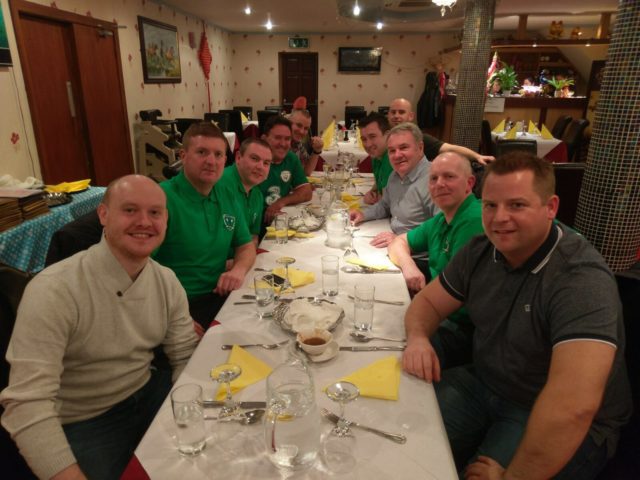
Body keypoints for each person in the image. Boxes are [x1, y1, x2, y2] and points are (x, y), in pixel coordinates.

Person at [402, 152, 632, 479]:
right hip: (484, 383)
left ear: (550, 208)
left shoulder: (581, 278)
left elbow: (573, 407)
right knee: (402, 431)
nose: (499, 218)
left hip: (547, 409)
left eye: (517, 205)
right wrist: (418, 339)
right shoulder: (481, 250)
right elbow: (427, 304)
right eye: (490, 205)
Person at [0, 175, 200, 480]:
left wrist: (191, 412)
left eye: (155, 213)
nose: (144, 222)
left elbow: (184, 352)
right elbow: (27, 404)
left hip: (147, 393)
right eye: (130, 210)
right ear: (103, 215)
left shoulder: (166, 281)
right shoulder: (54, 290)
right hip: (85, 419)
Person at [153, 122, 256, 329]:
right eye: (202, 152)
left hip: (220, 296)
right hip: (177, 307)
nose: (211, 161)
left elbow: (245, 246)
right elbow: (137, 269)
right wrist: (176, 318)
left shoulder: (226, 193)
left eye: (218, 155)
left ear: (225, 160)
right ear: (183, 156)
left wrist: (237, 270)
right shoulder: (160, 198)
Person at [388, 152, 483, 368]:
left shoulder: (474, 220)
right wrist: (409, 266)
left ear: (469, 183)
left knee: (393, 353)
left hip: (462, 330)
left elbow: (454, 300)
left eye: (449, 177)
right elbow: (397, 243)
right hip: (438, 313)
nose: (439, 184)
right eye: (433, 178)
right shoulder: (442, 218)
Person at [350, 122, 438, 250]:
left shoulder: (436, 181)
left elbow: (442, 229)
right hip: (393, 244)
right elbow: (384, 205)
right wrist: (363, 214)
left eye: (403, 148)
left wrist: (403, 240)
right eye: (392, 150)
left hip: (417, 256)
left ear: (420, 148)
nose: (397, 155)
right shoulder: (395, 176)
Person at [387, 97, 494, 165]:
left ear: (410, 116)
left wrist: (477, 156)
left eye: (401, 112)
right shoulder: (386, 138)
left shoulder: (420, 138)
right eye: (393, 112)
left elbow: (450, 148)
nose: (396, 116)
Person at [217, 137, 272, 248]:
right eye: (254, 159)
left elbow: (253, 237)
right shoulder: (219, 184)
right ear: (238, 158)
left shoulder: (257, 194)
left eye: (266, 163)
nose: (260, 167)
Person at [259, 115, 312, 224]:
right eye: (277, 138)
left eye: (287, 139)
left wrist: (281, 202)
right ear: (264, 139)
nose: (283, 144)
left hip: (277, 221)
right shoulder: (255, 161)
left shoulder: (290, 158)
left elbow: (306, 192)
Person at [358, 112, 393, 205]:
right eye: (364, 139)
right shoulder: (377, 156)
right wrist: (371, 192)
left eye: (372, 136)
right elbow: (379, 184)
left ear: (388, 135)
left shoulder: (393, 159)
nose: (368, 144)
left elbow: (387, 202)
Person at [289, 109, 324, 175]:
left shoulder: (297, 143)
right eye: (299, 125)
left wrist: (317, 151)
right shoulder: (281, 144)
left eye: (306, 128)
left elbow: (306, 171)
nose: (302, 131)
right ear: (289, 123)